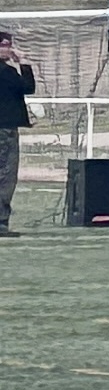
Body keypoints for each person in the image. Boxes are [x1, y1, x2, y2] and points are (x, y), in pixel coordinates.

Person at [0, 24, 29, 234]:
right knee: (6, 174)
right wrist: (24, 63)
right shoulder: (7, 72)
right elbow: (28, 87)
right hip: (4, 129)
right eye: (5, 45)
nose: (9, 49)